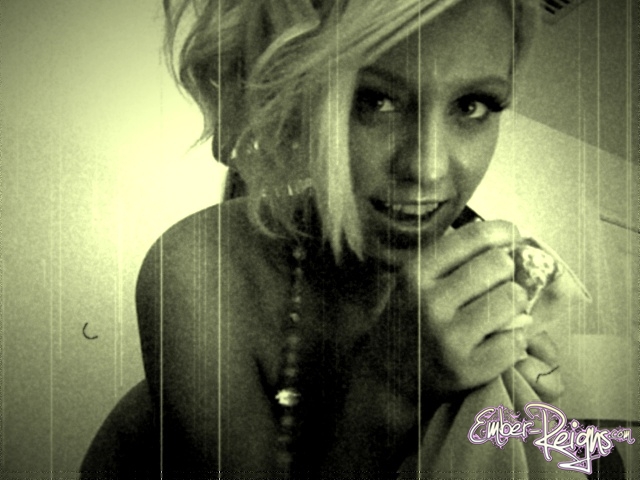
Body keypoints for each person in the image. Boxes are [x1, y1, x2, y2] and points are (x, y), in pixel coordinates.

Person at [81, 0, 613, 478]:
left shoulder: (483, 274)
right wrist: (393, 385)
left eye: (472, 105)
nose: (427, 169)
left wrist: (532, 420)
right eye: (375, 100)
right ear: (296, 95)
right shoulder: (202, 268)